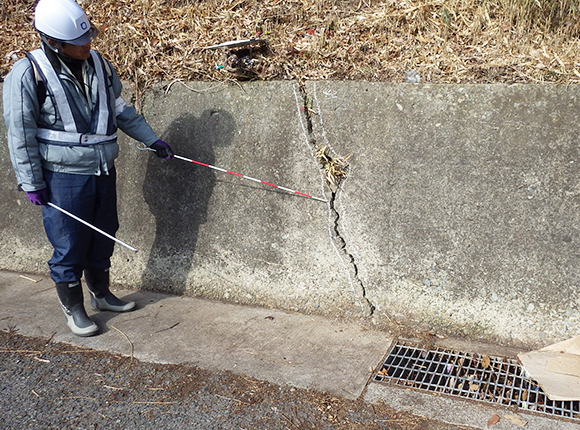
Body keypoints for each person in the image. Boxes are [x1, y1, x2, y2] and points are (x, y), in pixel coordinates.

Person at [3, 0, 174, 337]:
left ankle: (101, 294)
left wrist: (151, 139)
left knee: (104, 232)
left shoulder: (99, 64)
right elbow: (19, 132)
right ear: (53, 42)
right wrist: (30, 181)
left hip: (102, 168)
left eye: (89, 38)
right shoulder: (27, 74)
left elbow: (119, 108)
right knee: (69, 243)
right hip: (61, 175)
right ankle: (74, 308)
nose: (87, 46)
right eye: (79, 43)